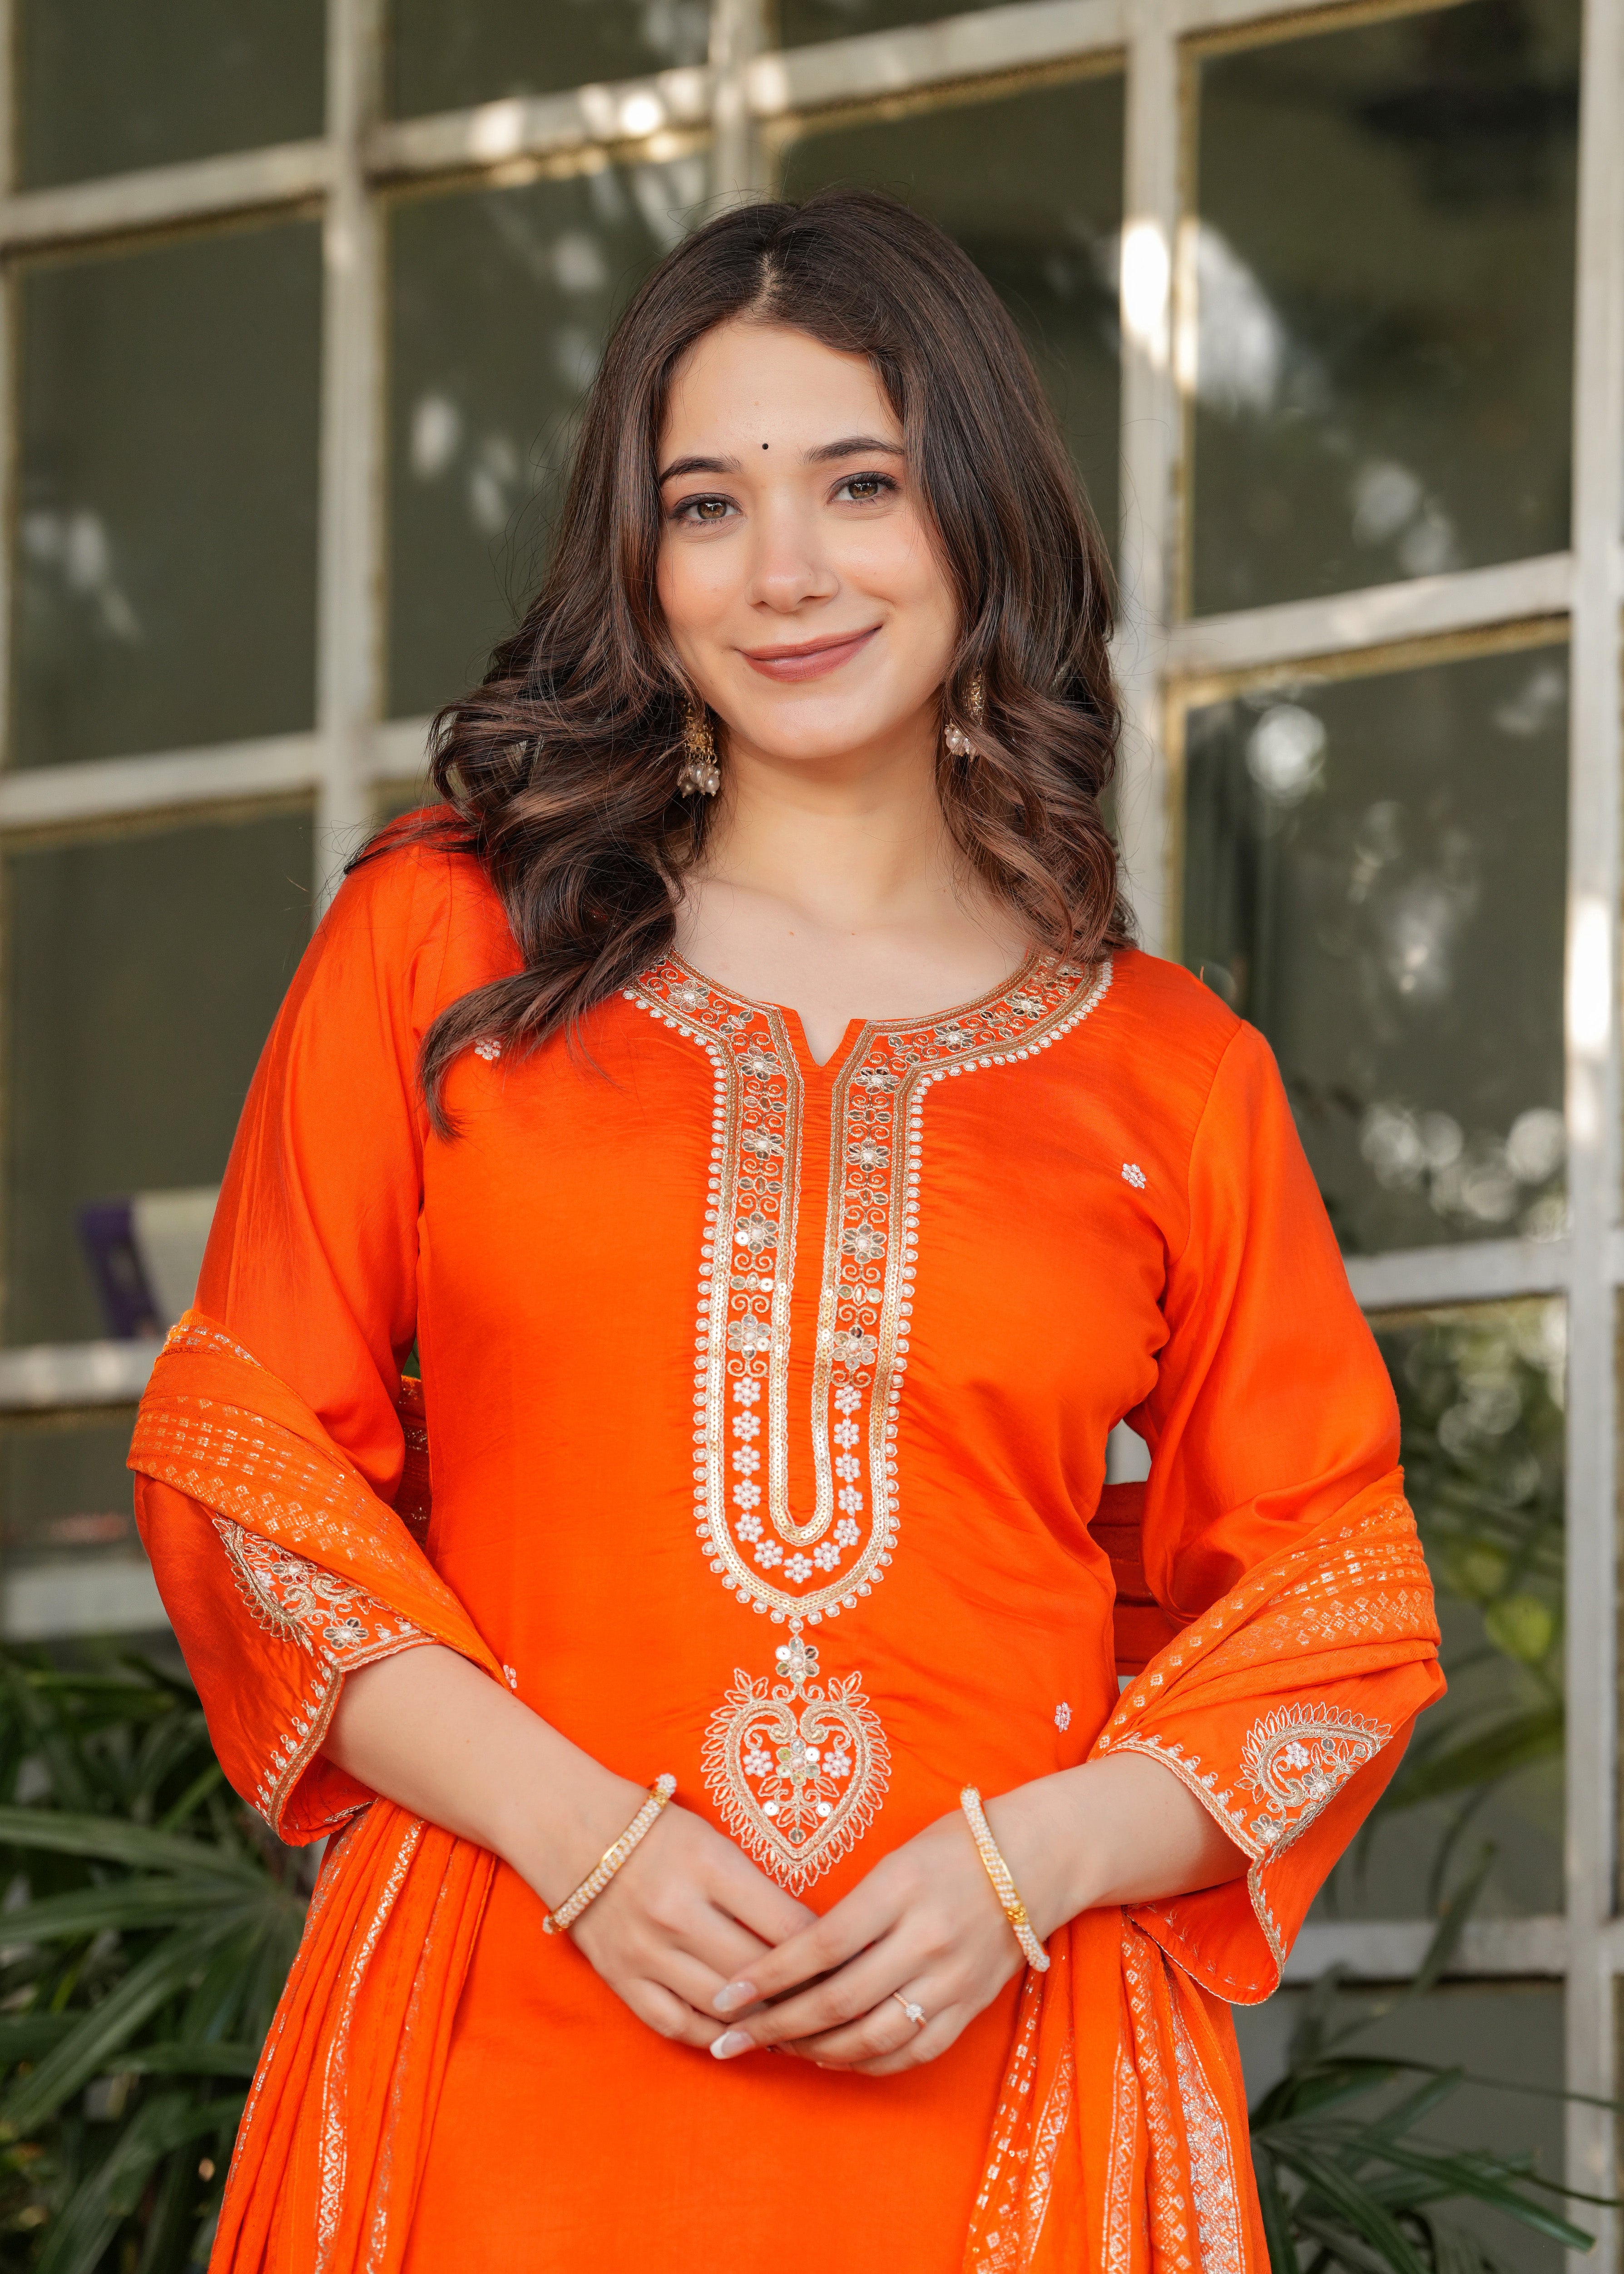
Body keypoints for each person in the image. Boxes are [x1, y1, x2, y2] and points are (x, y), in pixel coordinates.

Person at [129, 188, 1442, 2274]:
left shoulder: (1170, 1070)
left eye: (862, 482)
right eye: (709, 504)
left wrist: (1033, 1858)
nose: (790, 570)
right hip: (505, 2046)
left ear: (984, 520)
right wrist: (587, 1838)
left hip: (1004, 2099)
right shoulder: (446, 942)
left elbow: (1336, 1611)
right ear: (639, 566)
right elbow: (245, 1461)